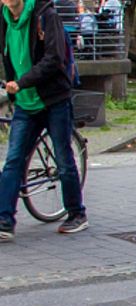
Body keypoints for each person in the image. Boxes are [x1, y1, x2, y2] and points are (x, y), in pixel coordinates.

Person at [0, 0, 87, 240]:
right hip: (25, 103)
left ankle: (77, 213)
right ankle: (4, 221)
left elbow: (54, 58)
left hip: (53, 99)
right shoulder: (4, 18)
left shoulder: (46, 15)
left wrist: (22, 82)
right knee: (13, 160)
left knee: (63, 159)